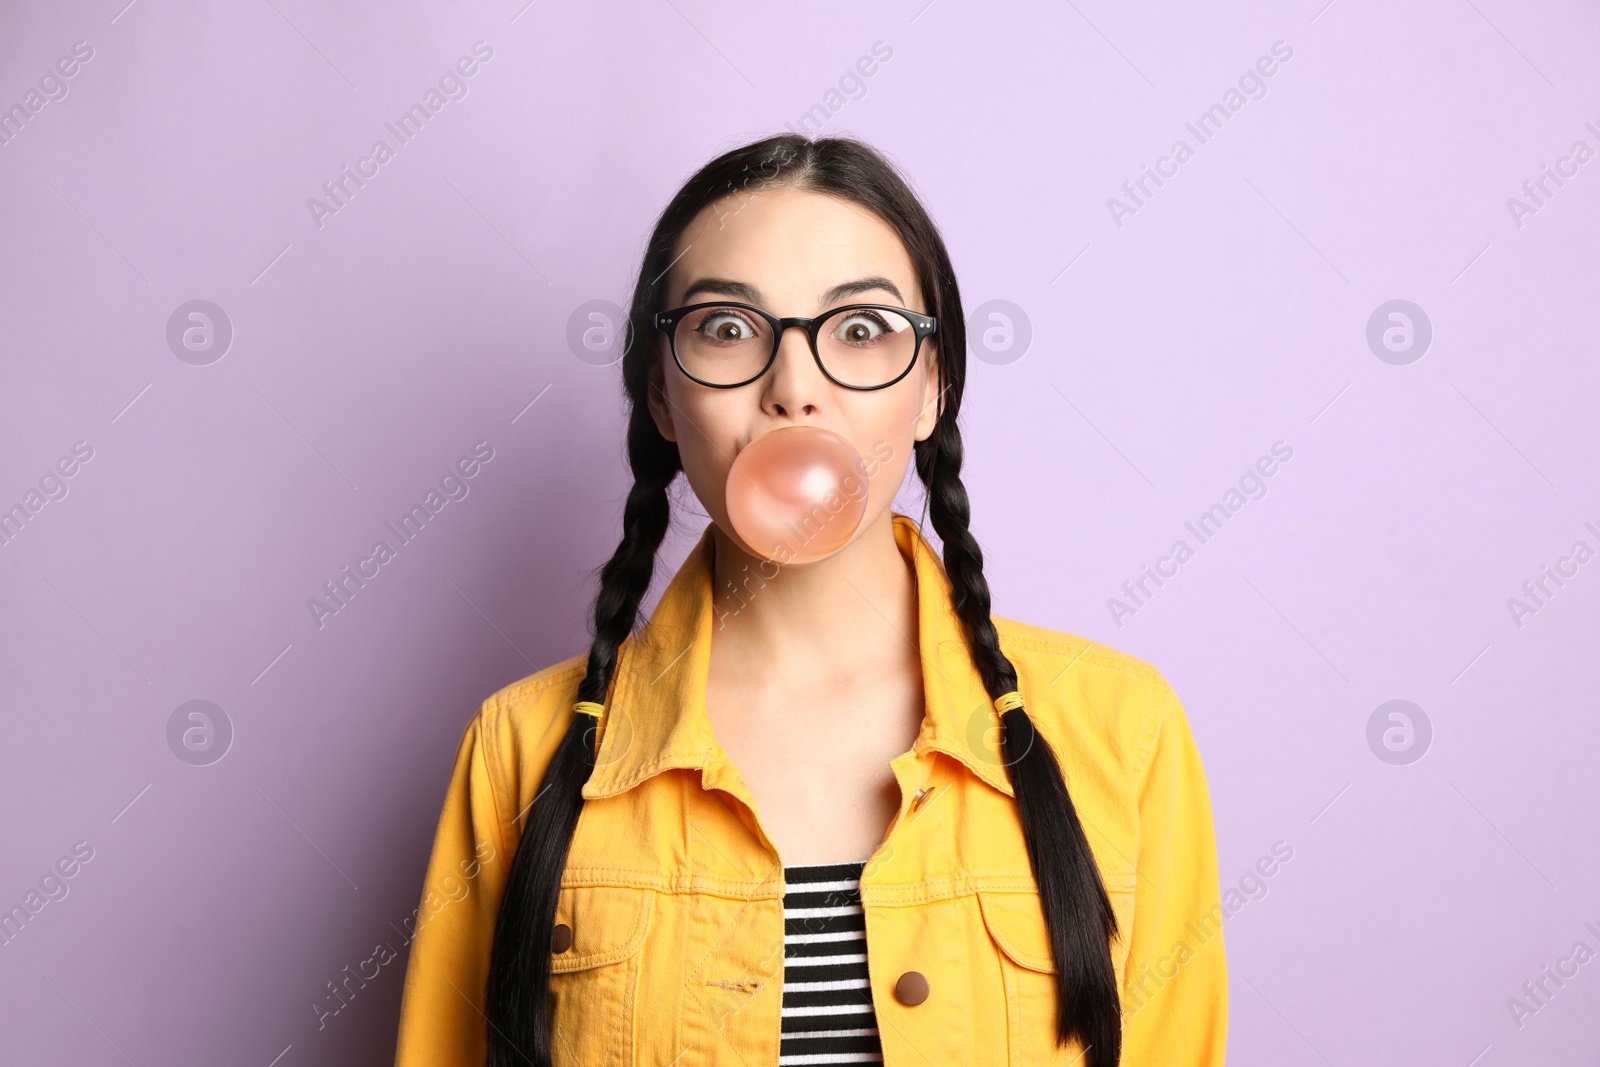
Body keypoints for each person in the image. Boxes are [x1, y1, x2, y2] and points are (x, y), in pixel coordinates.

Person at [392, 134, 1227, 1066]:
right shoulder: (518, 752)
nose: (794, 388)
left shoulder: (1123, 731)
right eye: (728, 328)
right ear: (663, 399)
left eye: (861, 330)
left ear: (930, 391)